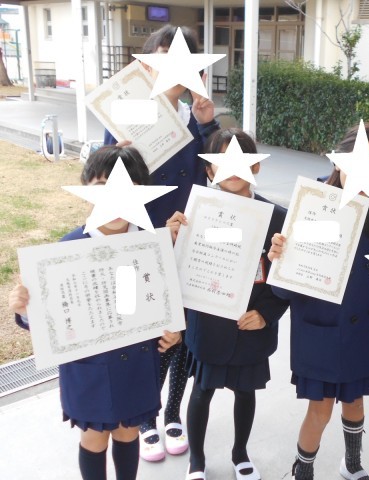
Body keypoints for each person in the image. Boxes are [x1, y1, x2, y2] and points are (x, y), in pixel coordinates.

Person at [8, 145, 182, 480]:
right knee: (93, 437)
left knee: (129, 432)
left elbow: (165, 302)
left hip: (136, 362)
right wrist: (28, 309)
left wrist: (172, 331)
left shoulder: (152, 246)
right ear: (86, 187)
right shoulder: (66, 250)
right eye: (104, 187)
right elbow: (50, 321)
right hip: (88, 370)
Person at [104, 24, 221, 461]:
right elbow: (102, 181)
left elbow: (219, 172)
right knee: (149, 333)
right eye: (164, 55)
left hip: (190, 239)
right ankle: (145, 416)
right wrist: (116, 153)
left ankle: (172, 411)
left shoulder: (197, 117)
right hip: (142, 240)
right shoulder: (126, 115)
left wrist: (209, 125)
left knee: (183, 331)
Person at [268, 124, 369, 480]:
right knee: (319, 411)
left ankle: (352, 463)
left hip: (362, 335)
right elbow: (282, 291)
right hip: (320, 335)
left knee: (355, 403)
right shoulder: (310, 206)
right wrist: (280, 260)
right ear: (338, 161)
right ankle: (303, 470)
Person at [165, 129, 290, 480]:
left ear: (256, 167)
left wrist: (266, 314)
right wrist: (170, 239)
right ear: (209, 170)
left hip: (251, 324)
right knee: (202, 391)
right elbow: (177, 271)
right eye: (223, 162)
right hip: (209, 325)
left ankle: (240, 453)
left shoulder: (278, 217)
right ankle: (197, 460)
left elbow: (286, 275)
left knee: (245, 392)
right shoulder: (194, 215)